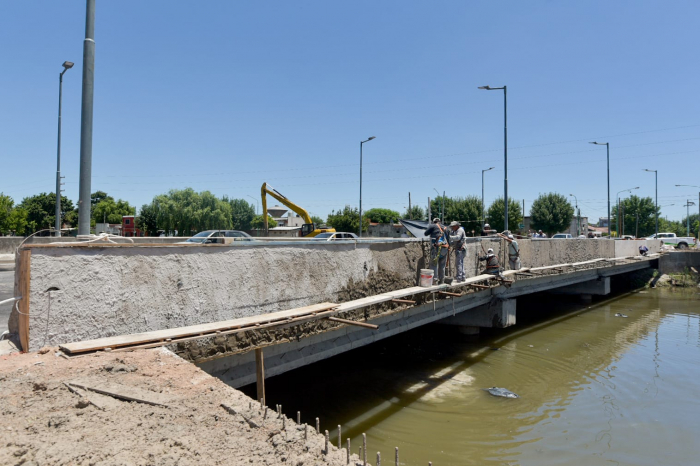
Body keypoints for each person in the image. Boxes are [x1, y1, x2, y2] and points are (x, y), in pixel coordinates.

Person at [424, 218, 449, 284]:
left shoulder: (433, 225)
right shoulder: (446, 228)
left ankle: (434, 281)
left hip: (437, 248)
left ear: (434, 222)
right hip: (445, 248)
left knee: (433, 264)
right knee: (442, 265)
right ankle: (441, 280)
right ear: (440, 222)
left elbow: (425, 233)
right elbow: (449, 239)